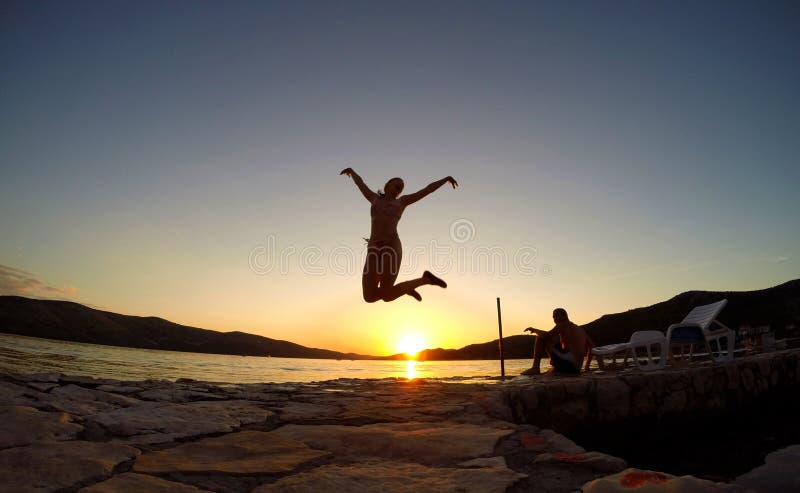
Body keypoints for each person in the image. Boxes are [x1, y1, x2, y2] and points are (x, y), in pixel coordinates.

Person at [340, 167, 458, 302]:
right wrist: (351, 171)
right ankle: (405, 288)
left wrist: (446, 179)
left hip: (391, 246)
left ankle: (425, 279)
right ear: (387, 185)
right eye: (397, 183)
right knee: (369, 296)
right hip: (373, 248)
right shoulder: (374, 198)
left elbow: (426, 190)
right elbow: (360, 184)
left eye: (401, 187)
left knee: (387, 295)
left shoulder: (402, 202)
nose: (401, 186)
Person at [521, 308, 593, 375]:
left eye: (556, 316)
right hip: (577, 369)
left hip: (569, 365)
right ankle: (556, 367)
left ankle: (535, 367)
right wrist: (587, 366)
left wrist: (534, 330)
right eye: (553, 317)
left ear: (564, 316)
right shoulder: (580, 329)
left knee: (540, 337)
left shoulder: (563, 324)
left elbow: (546, 335)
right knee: (554, 340)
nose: (555, 319)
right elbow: (592, 347)